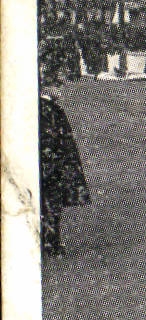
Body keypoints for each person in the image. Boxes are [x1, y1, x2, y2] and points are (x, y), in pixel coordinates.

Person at [39, 90, 90, 255]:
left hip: (49, 165)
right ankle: (50, 245)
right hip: (50, 167)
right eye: (57, 84)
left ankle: (50, 244)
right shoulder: (48, 109)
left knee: (49, 206)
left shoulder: (48, 108)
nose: (61, 90)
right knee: (50, 205)